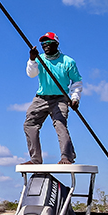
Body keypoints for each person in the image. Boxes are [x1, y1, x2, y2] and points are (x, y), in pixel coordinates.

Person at [23, 31, 82, 165]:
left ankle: (67, 157)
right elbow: (31, 74)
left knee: (60, 125)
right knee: (29, 124)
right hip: (41, 98)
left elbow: (77, 82)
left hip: (61, 98)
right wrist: (32, 59)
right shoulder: (39, 59)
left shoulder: (68, 61)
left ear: (56, 44)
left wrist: (75, 98)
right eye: (43, 44)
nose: (45, 46)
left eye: (48, 43)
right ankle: (35, 159)